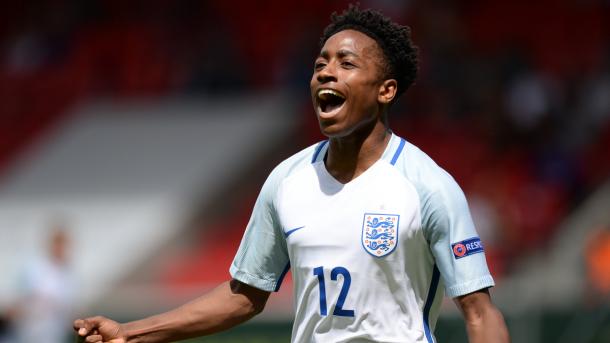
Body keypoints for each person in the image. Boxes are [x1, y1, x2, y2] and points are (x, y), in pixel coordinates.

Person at [74, 5, 510, 342]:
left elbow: (479, 311)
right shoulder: (287, 180)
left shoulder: (427, 185)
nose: (326, 70)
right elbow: (244, 295)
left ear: (385, 90)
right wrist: (133, 333)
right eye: (321, 62)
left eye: (346, 63)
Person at [13, 222, 76, 343]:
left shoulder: (68, 274)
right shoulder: (34, 269)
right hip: (31, 332)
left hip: (55, 333)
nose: (61, 248)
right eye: (58, 243)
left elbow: (68, 307)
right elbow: (23, 301)